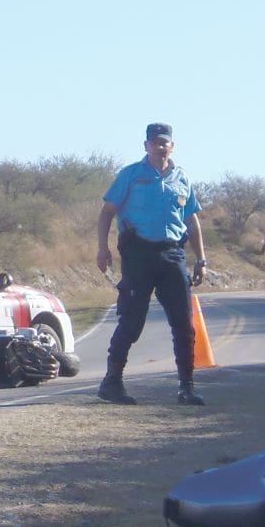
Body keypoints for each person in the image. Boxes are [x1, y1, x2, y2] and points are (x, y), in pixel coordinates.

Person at [94, 122, 208, 406]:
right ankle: (112, 383)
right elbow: (107, 211)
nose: (160, 147)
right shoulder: (131, 174)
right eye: (155, 142)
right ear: (146, 145)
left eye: (165, 142)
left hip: (172, 255)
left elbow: (191, 220)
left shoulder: (182, 178)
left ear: (172, 146)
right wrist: (102, 248)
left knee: (184, 324)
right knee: (131, 321)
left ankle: (186, 387)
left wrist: (201, 259)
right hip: (138, 255)